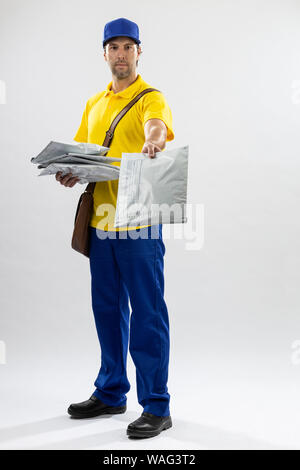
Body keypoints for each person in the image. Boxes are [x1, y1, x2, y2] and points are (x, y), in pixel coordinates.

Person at [55, 17, 175, 439]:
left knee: (147, 310)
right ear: (104, 53)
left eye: (128, 46)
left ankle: (157, 406)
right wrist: (68, 171)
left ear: (140, 51)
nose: (121, 54)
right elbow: (82, 151)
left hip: (140, 218)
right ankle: (110, 392)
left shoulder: (149, 98)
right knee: (107, 309)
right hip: (102, 220)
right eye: (114, 47)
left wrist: (154, 141)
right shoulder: (94, 103)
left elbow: (155, 126)